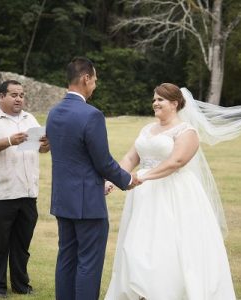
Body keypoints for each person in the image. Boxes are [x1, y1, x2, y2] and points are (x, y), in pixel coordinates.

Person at [104, 83, 241, 300]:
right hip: (143, 196)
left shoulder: (187, 131)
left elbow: (176, 161)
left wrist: (142, 177)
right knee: (137, 244)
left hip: (174, 195)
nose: (155, 103)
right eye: (154, 99)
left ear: (175, 104)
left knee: (169, 245)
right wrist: (114, 179)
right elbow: (131, 158)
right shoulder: (147, 129)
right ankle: (140, 291)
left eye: (160, 99)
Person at [46, 57, 139, 300]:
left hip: (62, 199)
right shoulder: (92, 115)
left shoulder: (54, 113)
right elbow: (103, 162)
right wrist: (127, 179)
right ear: (85, 78)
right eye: (95, 80)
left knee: (66, 257)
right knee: (89, 262)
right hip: (88, 203)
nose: (95, 85)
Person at [0, 80, 50, 298]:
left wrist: (45, 146)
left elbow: (39, 148)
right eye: (14, 95)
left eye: (22, 95)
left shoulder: (30, 119)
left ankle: (21, 284)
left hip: (27, 192)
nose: (19, 99)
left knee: (22, 245)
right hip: (0, 193)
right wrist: (8, 140)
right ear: (1, 97)